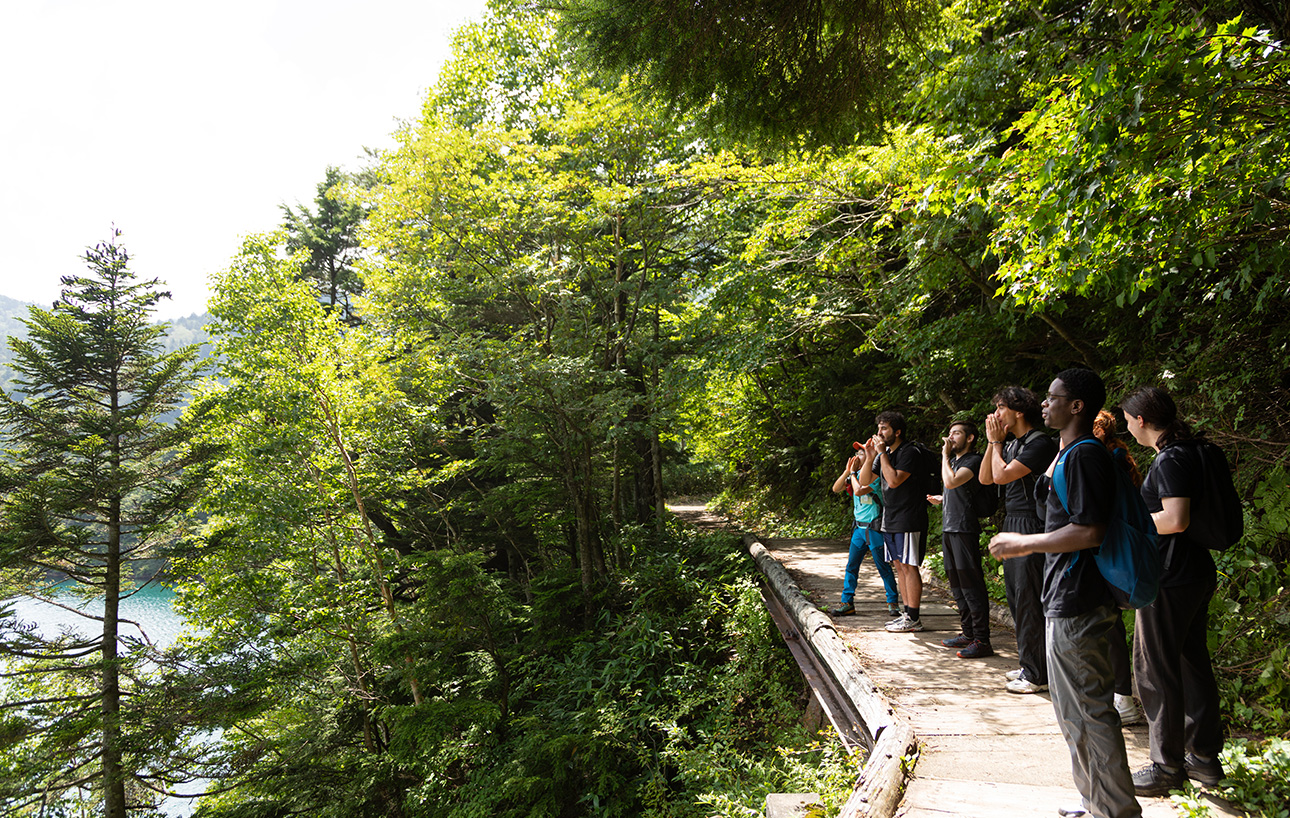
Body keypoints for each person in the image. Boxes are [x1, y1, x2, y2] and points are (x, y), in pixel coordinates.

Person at [989, 368, 1142, 818]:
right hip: (1062, 594)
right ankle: (1095, 800)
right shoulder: (1067, 452)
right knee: (1073, 712)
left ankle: (1115, 810)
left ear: (1076, 406)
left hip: (1080, 598)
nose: (1044, 403)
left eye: (1053, 397)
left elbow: (1090, 530)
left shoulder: (1085, 456)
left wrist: (1025, 542)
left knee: (1090, 710)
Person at [1121, 386, 1228, 796]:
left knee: (1154, 668)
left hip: (1169, 576)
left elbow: (1175, 519)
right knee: (1191, 663)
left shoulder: (1170, 459)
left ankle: (1166, 766)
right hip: (1196, 570)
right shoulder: (1199, 450)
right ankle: (1203, 759)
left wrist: (1129, 525)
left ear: (1141, 421)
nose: (1127, 426)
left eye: (1128, 420)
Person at [980, 386, 1058, 693]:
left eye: (1000, 409)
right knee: (1015, 597)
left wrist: (996, 443)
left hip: (1031, 522)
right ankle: (1029, 663)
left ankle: (1037, 673)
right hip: (1012, 519)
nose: (996, 415)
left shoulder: (1039, 443)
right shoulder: (1009, 444)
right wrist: (993, 444)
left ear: (1018, 412)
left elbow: (1001, 477)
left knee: (1029, 598)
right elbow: (986, 478)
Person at [1092, 409, 1146, 727]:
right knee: (1110, 626)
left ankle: (1123, 698)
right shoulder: (1117, 456)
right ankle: (1120, 696)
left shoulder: (1109, 458)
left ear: (1099, 431)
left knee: (1110, 625)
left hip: (1112, 549)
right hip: (1116, 547)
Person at [857, 410, 929, 633]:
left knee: (909, 566)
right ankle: (906, 614)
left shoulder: (909, 452)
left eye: (884, 428)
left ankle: (914, 618)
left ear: (897, 432)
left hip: (909, 517)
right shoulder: (882, 454)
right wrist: (870, 456)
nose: (879, 433)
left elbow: (895, 480)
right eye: (878, 428)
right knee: (899, 566)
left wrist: (882, 454)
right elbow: (865, 481)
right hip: (890, 518)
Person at [927, 420, 993, 657]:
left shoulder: (973, 461)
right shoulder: (955, 461)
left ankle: (983, 640)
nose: (951, 437)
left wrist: (944, 456)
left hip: (965, 529)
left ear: (971, 438)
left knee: (971, 584)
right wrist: (942, 498)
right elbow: (954, 490)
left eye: (956, 433)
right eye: (950, 432)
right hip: (949, 528)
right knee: (956, 583)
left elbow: (952, 481)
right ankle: (968, 633)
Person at [828, 445, 901, 619]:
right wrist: (847, 472)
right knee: (851, 567)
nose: (858, 455)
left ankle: (893, 603)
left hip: (874, 528)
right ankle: (847, 602)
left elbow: (860, 489)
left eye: (862, 452)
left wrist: (853, 474)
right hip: (859, 529)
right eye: (858, 452)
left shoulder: (876, 476)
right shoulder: (855, 475)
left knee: (883, 567)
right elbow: (836, 488)